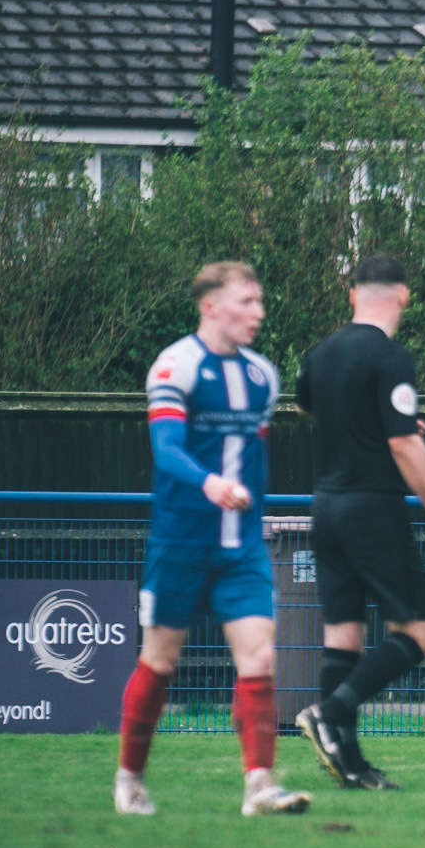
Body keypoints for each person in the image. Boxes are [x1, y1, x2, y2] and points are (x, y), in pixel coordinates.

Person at [113, 261, 311, 817]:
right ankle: (129, 778)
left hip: (241, 547)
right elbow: (167, 450)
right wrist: (212, 483)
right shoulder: (175, 365)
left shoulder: (262, 376)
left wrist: (250, 510)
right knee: (159, 661)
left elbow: (254, 456)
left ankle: (259, 787)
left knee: (260, 657)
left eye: (259, 301)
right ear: (210, 306)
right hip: (180, 543)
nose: (258, 313)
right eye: (246, 302)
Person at [292, 255, 425, 789]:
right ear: (404, 296)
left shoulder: (318, 355)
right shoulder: (390, 357)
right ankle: (331, 713)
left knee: (343, 636)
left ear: (352, 295)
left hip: (325, 505)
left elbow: (308, 408)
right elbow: (402, 442)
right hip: (373, 506)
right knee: (416, 635)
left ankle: (350, 764)